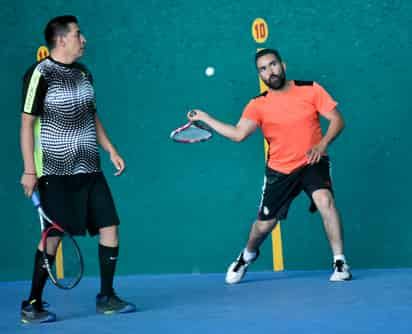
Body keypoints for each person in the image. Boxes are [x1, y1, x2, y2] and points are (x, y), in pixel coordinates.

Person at [187, 48, 352, 284]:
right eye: (263, 69)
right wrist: (205, 117)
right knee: (264, 226)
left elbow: (338, 120)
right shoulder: (257, 105)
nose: (270, 71)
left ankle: (340, 262)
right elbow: (238, 134)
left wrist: (323, 144)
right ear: (260, 75)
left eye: (273, 65)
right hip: (280, 171)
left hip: (312, 161)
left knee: (324, 200)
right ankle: (246, 256)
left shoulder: (310, 88)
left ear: (283, 65)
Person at [20, 15, 136, 324]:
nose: (83, 39)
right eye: (78, 34)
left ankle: (107, 297)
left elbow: (91, 117)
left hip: (90, 168)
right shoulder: (39, 74)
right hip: (55, 172)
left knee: (110, 225)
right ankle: (32, 303)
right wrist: (29, 170)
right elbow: (26, 123)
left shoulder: (85, 73)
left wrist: (111, 150)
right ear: (61, 40)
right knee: (53, 237)